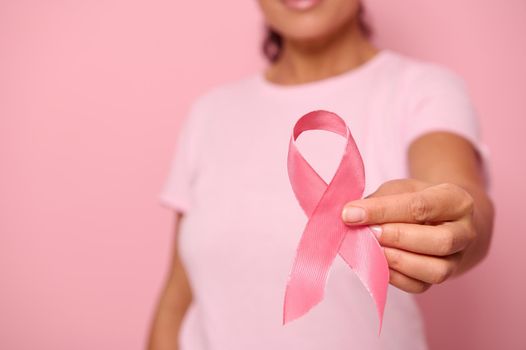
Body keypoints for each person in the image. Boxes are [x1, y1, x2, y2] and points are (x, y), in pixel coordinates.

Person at [147, 0, 494, 349]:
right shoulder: (210, 113)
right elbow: (178, 295)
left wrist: (455, 222)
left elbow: (459, 193)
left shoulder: (421, 88)